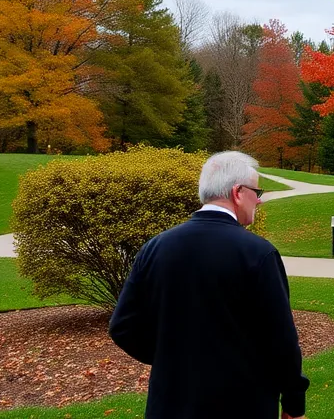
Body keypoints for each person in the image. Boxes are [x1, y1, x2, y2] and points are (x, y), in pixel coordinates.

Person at [109, 151, 309, 419]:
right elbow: (282, 340)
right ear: (238, 192)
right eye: (256, 191)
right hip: (242, 404)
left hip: (170, 403)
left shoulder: (155, 248)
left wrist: (171, 359)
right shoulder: (257, 253)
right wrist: (294, 404)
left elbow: (123, 326)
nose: (259, 200)